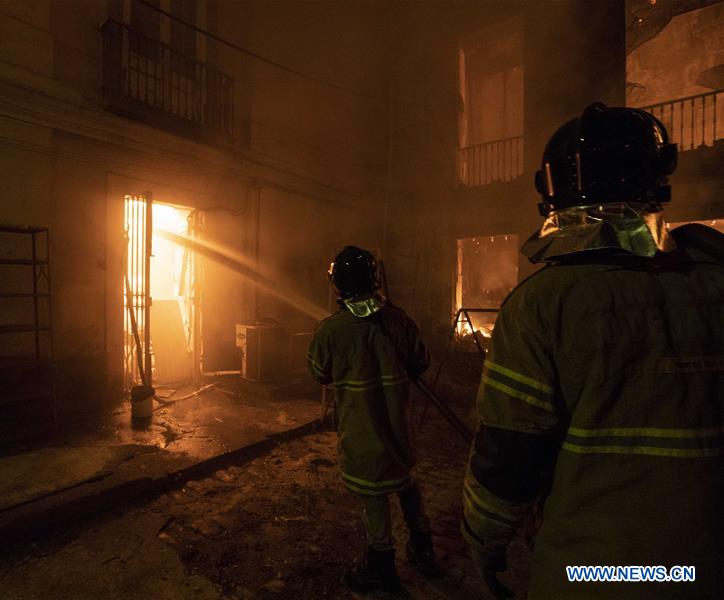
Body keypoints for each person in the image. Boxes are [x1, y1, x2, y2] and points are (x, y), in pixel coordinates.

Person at [462, 103, 724, 599]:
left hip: (594, 571)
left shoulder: (543, 304)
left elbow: (508, 457)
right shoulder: (714, 283)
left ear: (552, 191)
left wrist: (484, 542)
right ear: (658, 177)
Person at [308, 245, 441, 594]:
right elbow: (420, 362)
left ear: (338, 283)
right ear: (374, 278)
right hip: (399, 427)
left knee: (373, 492)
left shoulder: (330, 331)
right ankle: (423, 548)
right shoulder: (400, 320)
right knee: (406, 481)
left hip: (362, 430)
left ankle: (381, 566)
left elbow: (320, 372)